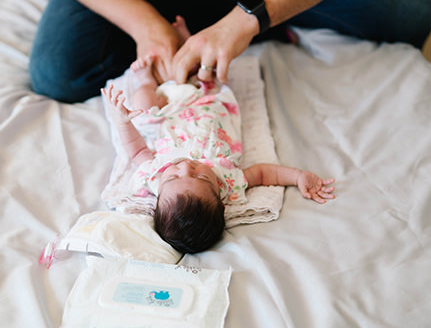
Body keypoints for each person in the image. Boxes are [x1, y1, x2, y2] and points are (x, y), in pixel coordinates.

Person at [29, 0, 431, 103]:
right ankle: (181, 28)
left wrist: (247, 20)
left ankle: (274, 15)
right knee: (57, 73)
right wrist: (148, 29)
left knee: (411, 8)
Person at [102, 65, 335, 254]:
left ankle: (146, 79)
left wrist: (122, 122)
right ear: (221, 198)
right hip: (210, 103)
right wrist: (298, 176)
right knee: (205, 73)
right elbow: (264, 173)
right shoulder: (229, 181)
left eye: (172, 176)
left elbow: (136, 150)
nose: (185, 166)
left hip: (171, 109)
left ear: (158, 195)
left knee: (143, 103)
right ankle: (196, 62)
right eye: (201, 176)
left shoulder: (152, 177)